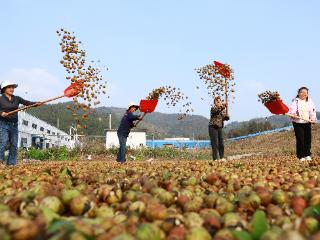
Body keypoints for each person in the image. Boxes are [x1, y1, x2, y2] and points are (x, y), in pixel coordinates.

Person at [0, 81, 40, 166]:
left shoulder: (17, 98)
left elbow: (27, 103)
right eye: (10, 87)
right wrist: (1, 113)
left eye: (13, 87)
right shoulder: (0, 99)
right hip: (4, 124)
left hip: (14, 124)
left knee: (14, 144)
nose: (12, 89)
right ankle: (0, 161)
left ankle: (11, 163)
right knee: (3, 142)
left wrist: (36, 104)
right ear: (4, 89)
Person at [288, 87, 317, 161]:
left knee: (308, 139)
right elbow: (292, 110)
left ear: (307, 94)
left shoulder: (310, 102)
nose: (303, 94)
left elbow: (312, 111)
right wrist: (294, 114)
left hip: (307, 122)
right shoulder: (295, 101)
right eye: (301, 92)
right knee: (300, 139)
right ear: (298, 93)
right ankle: (301, 156)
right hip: (298, 123)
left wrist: (313, 119)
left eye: (305, 92)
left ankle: (307, 154)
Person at [209, 96, 230, 160]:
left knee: (221, 143)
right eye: (217, 101)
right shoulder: (213, 108)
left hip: (219, 127)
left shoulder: (223, 110)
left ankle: (221, 157)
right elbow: (217, 111)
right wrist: (223, 105)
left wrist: (227, 112)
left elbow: (227, 118)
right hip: (213, 127)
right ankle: (215, 159)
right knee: (215, 144)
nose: (218, 102)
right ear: (215, 103)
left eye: (219, 101)